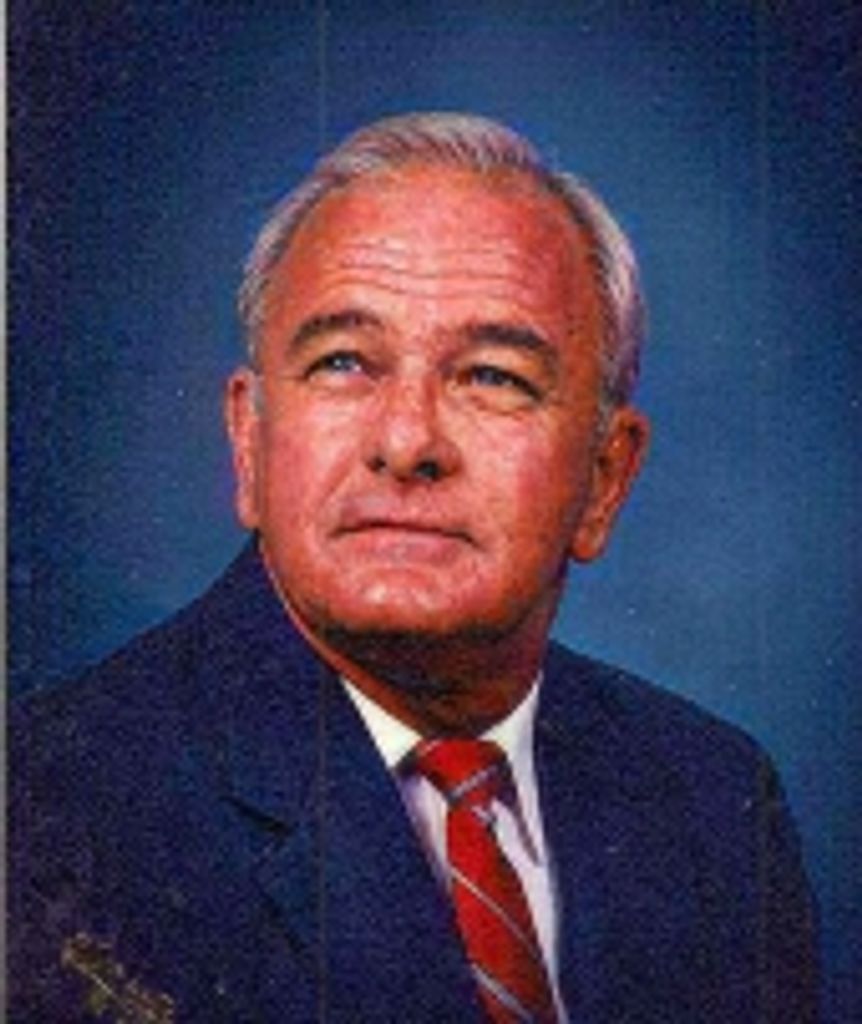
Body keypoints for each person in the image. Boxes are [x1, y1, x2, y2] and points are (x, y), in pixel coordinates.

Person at [9, 112, 819, 1023]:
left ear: (605, 478)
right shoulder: (47, 812)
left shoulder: (715, 801)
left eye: (493, 377)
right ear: (249, 442)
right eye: (344, 362)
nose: (407, 442)